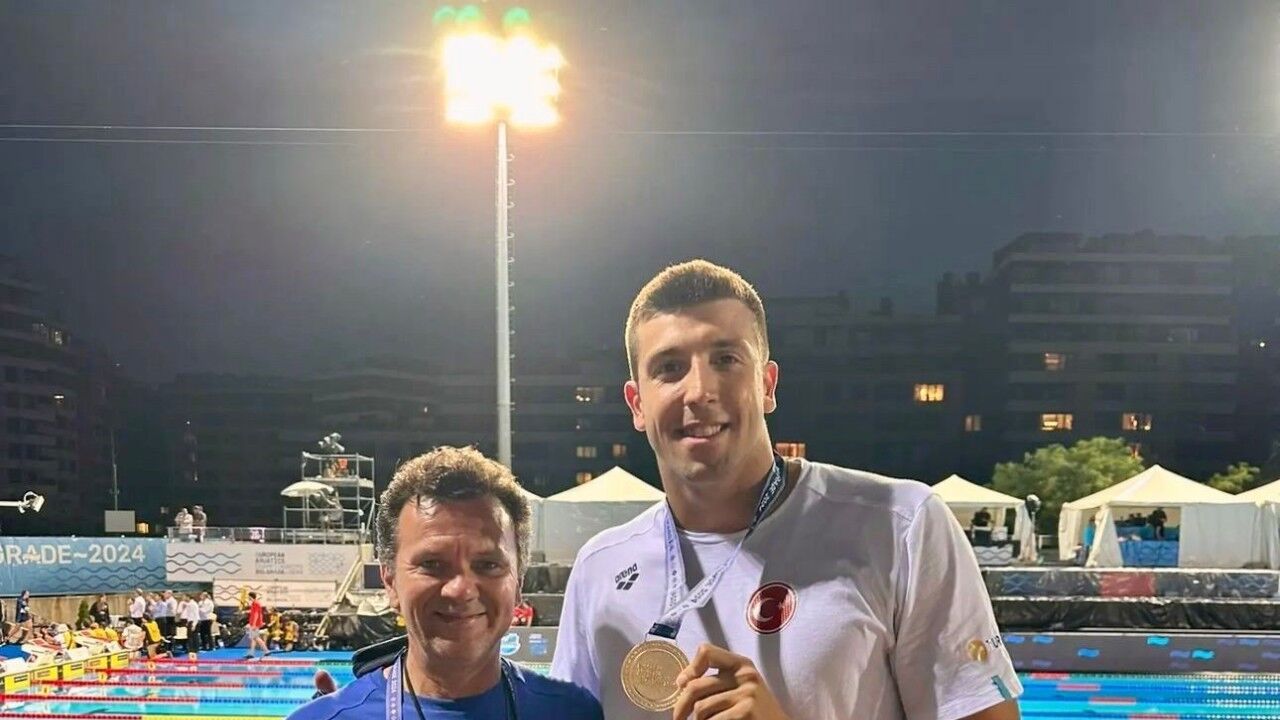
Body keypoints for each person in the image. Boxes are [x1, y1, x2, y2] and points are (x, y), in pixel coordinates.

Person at [550, 260, 1021, 720]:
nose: (699, 390)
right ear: (637, 404)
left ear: (767, 384)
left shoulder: (900, 526)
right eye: (669, 368)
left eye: (726, 360)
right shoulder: (600, 568)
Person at [288, 446, 602, 720]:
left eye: (488, 565)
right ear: (390, 581)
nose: (461, 590)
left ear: (518, 582)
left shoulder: (573, 713)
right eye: (432, 565)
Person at [244, 592, 270, 660]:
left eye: (248, 597)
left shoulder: (256, 603)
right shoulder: (254, 603)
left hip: (255, 624)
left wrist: (254, 624)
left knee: (255, 637)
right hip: (254, 623)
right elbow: (255, 612)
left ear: (251, 596)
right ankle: (251, 653)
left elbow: (256, 614)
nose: (248, 598)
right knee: (254, 638)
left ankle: (266, 651)